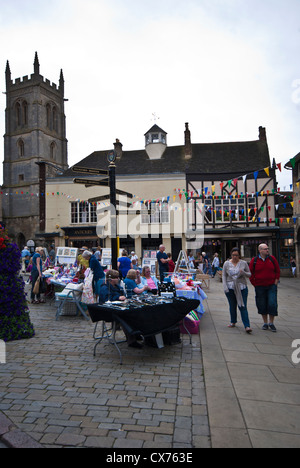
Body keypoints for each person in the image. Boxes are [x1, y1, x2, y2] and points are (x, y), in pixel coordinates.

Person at [98, 270, 142, 348]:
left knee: (134, 313)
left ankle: (136, 334)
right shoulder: (105, 288)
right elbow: (106, 300)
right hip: (108, 311)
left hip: (119, 308)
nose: (118, 279)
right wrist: (117, 297)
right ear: (111, 279)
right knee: (125, 318)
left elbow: (123, 295)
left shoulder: (118, 287)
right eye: (116, 277)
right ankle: (131, 340)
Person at [249, 244, 280, 332]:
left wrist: (275, 282)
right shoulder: (254, 260)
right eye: (265, 249)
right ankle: (265, 323)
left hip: (271, 285)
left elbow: (277, 271)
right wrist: (254, 283)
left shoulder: (272, 259)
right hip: (259, 286)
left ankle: (271, 323)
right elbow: (250, 273)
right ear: (260, 250)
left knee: (272, 303)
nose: (267, 250)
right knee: (261, 304)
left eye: (267, 249)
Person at [222, 248, 252, 333]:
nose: (235, 257)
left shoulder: (243, 263)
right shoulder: (226, 263)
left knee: (242, 306)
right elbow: (224, 275)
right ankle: (233, 321)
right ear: (231, 255)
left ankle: (247, 326)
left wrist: (244, 273)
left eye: (236, 255)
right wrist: (225, 287)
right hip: (230, 287)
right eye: (233, 255)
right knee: (232, 305)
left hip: (241, 287)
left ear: (239, 255)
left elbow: (249, 274)